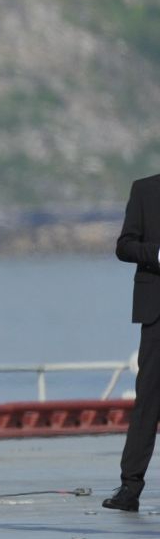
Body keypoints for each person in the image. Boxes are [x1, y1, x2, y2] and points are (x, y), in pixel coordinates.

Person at [106, 169, 160, 512]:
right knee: (147, 402)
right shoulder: (145, 190)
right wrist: (157, 255)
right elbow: (124, 246)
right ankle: (130, 488)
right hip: (157, 314)